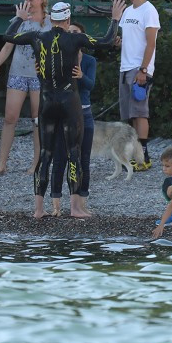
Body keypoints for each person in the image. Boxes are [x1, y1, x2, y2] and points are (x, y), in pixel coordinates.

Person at [4, 0, 123, 219]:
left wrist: (20, 19)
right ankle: (75, 208)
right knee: (74, 153)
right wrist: (115, 19)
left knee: (45, 154)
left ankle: (38, 210)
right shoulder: (75, 38)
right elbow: (106, 41)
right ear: (67, 20)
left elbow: (8, 36)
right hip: (69, 101)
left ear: (52, 19)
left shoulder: (37, 36)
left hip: (46, 101)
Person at [0, 0, 50, 175]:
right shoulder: (20, 20)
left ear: (42, 0)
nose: (27, 3)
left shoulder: (50, 22)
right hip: (18, 72)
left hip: (39, 76)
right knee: (10, 118)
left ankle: (36, 163)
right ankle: (1, 163)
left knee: (37, 120)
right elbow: (8, 44)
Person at [119, 0, 160, 170]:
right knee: (131, 113)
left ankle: (144, 156)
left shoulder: (148, 10)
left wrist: (143, 70)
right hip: (125, 66)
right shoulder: (127, 11)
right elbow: (128, 39)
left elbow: (150, 43)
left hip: (139, 67)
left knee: (140, 111)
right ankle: (135, 154)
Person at [68, 20, 97, 214]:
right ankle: (64, 204)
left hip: (85, 112)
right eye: (69, 31)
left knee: (84, 158)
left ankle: (83, 201)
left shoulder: (89, 61)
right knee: (68, 157)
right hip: (67, 112)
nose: (72, 35)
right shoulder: (60, 58)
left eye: (76, 32)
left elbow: (90, 85)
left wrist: (81, 76)